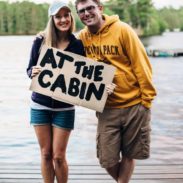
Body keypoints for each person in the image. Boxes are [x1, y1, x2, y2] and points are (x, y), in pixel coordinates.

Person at [74, 0, 157, 182]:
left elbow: (141, 64)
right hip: (106, 109)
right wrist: (41, 38)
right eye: (81, 11)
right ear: (78, 15)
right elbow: (68, 62)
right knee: (106, 159)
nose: (86, 13)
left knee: (129, 154)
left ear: (100, 9)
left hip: (134, 105)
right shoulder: (82, 38)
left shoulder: (123, 29)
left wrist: (146, 101)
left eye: (90, 8)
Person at [26, 1, 85, 183]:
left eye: (66, 15)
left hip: (64, 108)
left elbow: (83, 78)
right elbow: (29, 70)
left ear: (70, 17)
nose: (63, 19)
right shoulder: (40, 41)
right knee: (45, 154)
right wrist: (33, 72)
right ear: (52, 19)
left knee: (58, 156)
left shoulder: (77, 45)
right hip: (40, 105)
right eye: (58, 16)